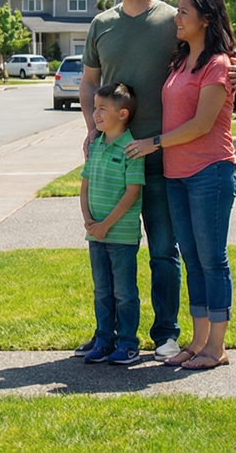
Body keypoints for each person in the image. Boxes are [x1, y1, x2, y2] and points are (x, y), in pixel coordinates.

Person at [78, 0, 236, 362]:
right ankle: (112, 334)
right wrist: (93, 132)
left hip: (166, 157)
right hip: (116, 158)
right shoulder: (101, 24)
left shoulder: (173, 19)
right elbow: (88, 83)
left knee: (166, 251)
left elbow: (213, 52)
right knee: (113, 247)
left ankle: (166, 333)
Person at [151, 0, 236, 370]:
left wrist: (153, 142)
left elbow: (202, 125)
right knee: (192, 259)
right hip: (177, 175)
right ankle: (198, 340)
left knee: (212, 260)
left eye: (184, 12)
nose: (177, 18)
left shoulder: (218, 64)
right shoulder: (180, 62)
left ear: (205, 18)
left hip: (211, 171)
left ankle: (216, 348)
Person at [77, 82, 146, 367]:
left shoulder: (132, 149)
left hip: (121, 236)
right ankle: (104, 338)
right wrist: (89, 221)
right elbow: (85, 184)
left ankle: (127, 342)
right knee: (102, 291)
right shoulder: (95, 145)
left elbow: (132, 193)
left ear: (123, 114)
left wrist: (106, 224)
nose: (96, 114)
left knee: (124, 293)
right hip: (96, 235)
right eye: (95, 108)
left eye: (103, 109)